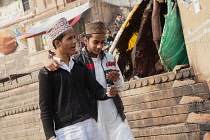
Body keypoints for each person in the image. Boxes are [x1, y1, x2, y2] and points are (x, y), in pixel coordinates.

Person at [44, 21, 134, 140]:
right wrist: (47, 61)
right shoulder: (78, 63)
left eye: (102, 42)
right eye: (96, 42)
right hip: (95, 119)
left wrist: (116, 81)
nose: (100, 46)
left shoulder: (110, 59)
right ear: (85, 41)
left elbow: (120, 87)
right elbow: (46, 107)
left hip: (115, 116)